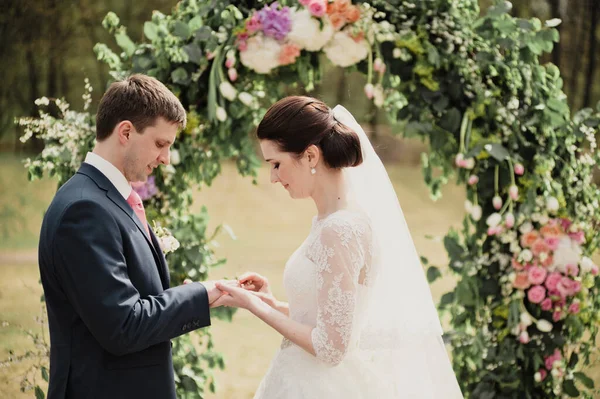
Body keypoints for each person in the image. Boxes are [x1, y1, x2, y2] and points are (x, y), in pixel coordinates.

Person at [211, 96, 464, 398]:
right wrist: (267, 303)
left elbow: (331, 347)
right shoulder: (330, 221)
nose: (273, 177)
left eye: (276, 164)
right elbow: (334, 319)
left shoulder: (339, 229)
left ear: (310, 156)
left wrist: (254, 306)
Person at [38, 74, 229, 399]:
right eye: (160, 144)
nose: (166, 158)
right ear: (125, 131)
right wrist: (199, 294)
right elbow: (123, 325)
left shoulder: (106, 198)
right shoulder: (84, 210)